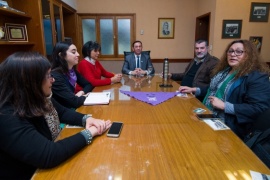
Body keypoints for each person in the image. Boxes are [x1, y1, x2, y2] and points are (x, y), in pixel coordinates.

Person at [0, 52, 111, 179]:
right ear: (30, 82)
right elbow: (49, 154)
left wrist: (87, 119)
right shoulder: (5, 116)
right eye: (48, 75)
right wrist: (90, 132)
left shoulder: (36, 97)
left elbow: (62, 112)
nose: (52, 79)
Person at [179, 39, 270, 140]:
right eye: (230, 51)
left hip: (230, 127)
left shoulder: (257, 77)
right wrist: (195, 89)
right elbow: (213, 89)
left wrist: (225, 106)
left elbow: (259, 108)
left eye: (239, 51)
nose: (233, 54)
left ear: (249, 55)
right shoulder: (225, 71)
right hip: (208, 113)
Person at [51, 41, 94, 109]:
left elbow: (89, 84)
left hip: (69, 108)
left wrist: (82, 92)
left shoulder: (72, 71)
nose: (78, 54)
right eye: (73, 52)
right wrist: (85, 96)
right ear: (62, 55)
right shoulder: (55, 76)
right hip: (63, 113)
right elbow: (74, 102)